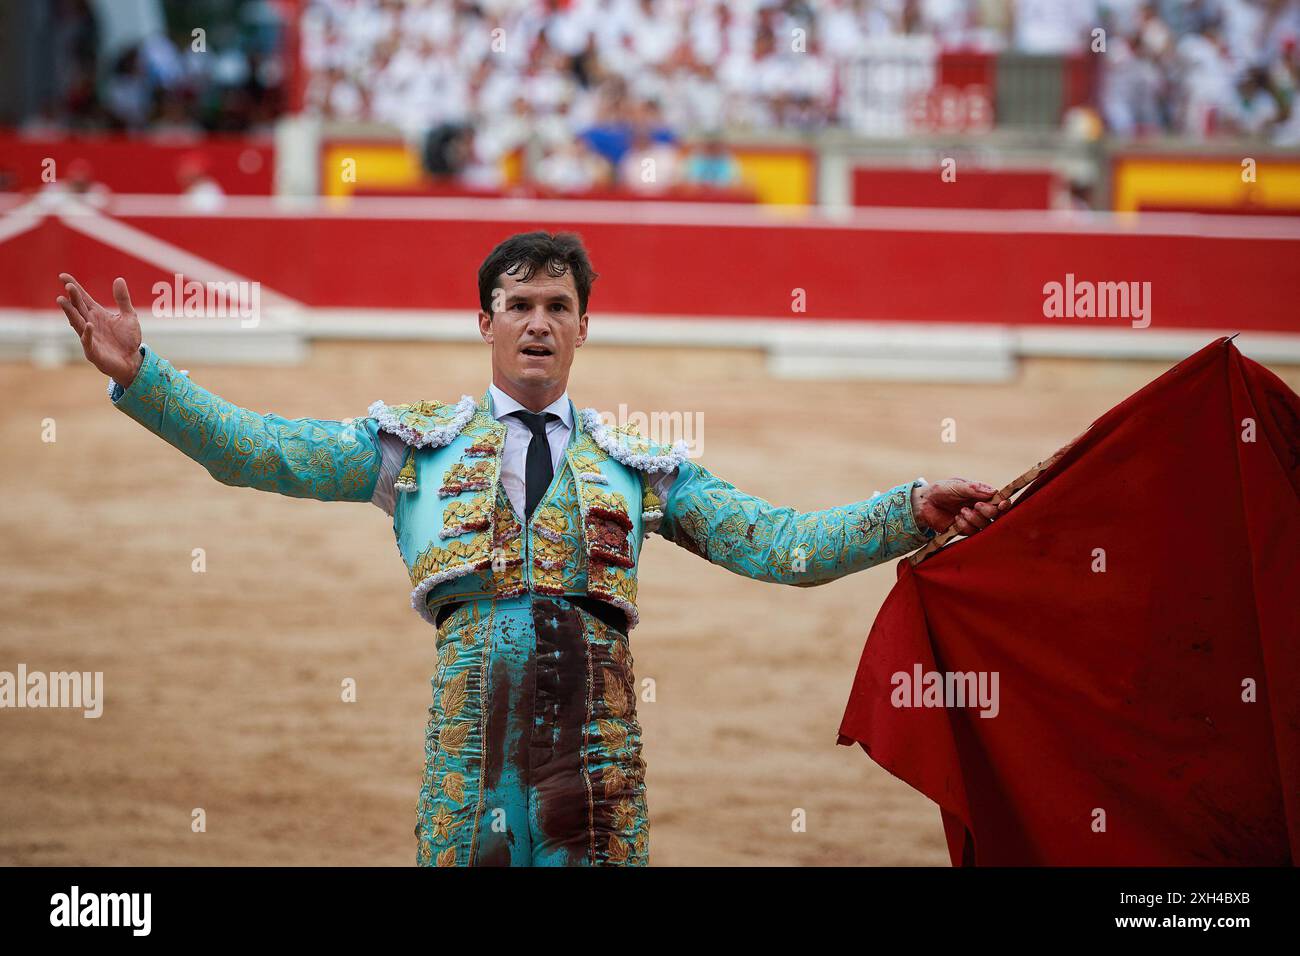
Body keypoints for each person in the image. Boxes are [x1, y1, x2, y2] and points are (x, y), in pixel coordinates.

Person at [55, 232, 1007, 867]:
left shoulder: (640, 467)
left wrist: (909, 507)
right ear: (486, 322)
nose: (539, 322)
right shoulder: (413, 443)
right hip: (469, 752)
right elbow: (259, 452)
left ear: (585, 325)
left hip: (596, 757)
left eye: (557, 305)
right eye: (519, 305)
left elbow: (781, 545)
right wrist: (146, 376)